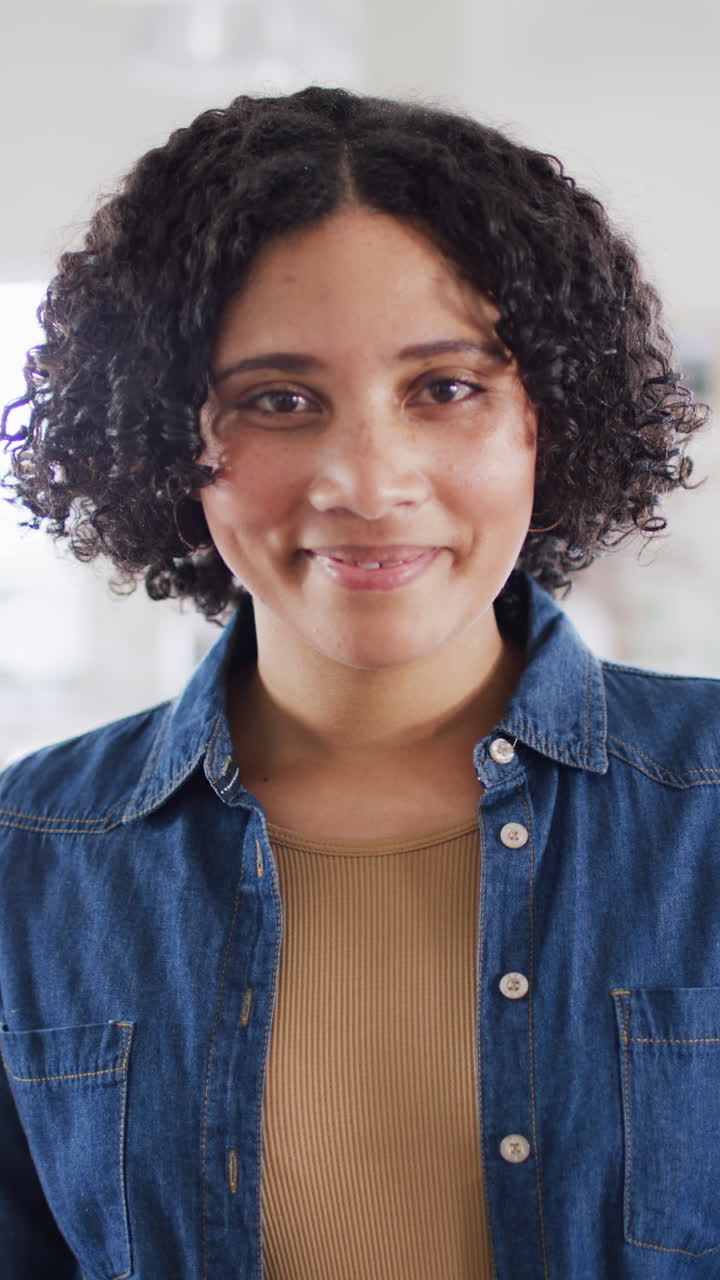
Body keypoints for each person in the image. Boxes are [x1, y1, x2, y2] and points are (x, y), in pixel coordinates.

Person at [0, 85, 715, 1280]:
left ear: (548, 415)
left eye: (444, 388)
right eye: (280, 400)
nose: (369, 480)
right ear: (173, 443)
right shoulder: (29, 860)